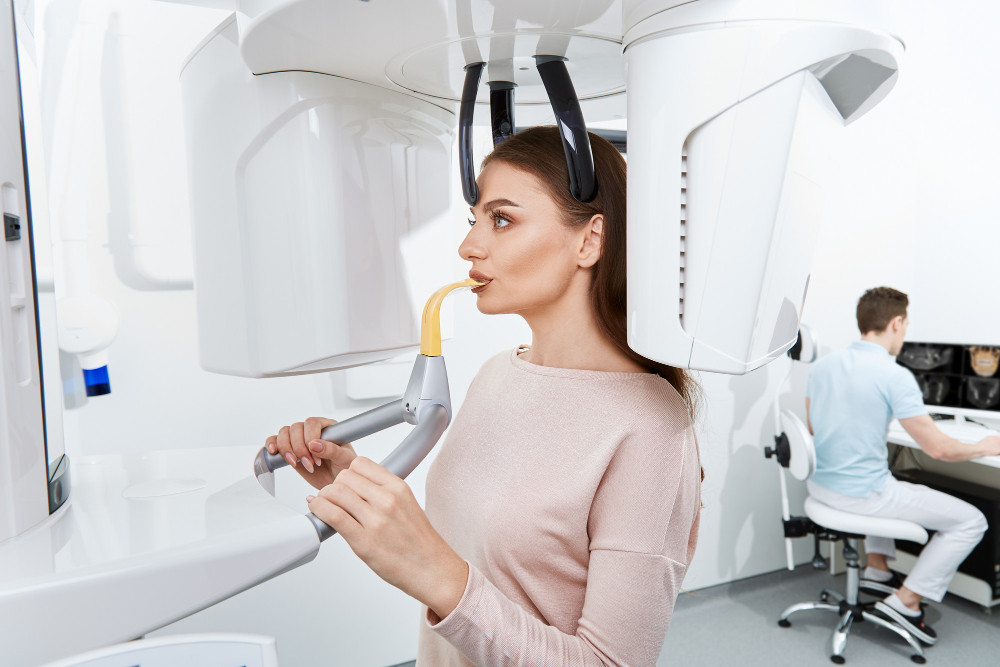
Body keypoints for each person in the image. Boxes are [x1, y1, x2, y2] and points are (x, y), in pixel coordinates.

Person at [265, 126, 702, 666]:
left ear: (589, 240)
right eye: (474, 220)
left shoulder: (652, 428)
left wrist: (436, 574)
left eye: (501, 219)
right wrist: (350, 479)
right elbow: (485, 552)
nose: (468, 246)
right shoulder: (497, 374)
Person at [805, 286, 1000, 645]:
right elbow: (938, 450)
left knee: (888, 474)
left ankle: (877, 570)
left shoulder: (823, 367)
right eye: (906, 325)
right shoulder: (893, 375)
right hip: (863, 496)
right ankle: (906, 602)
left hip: (821, 487)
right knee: (972, 521)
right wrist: (982, 446)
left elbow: (814, 428)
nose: (905, 334)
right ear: (896, 323)